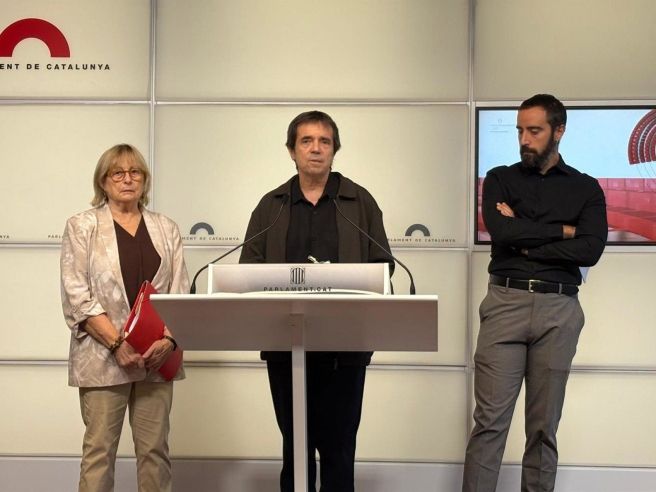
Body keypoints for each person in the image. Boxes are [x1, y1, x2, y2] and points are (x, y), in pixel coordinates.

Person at [239, 111, 393, 491]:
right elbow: (249, 269)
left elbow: (382, 266)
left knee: (339, 450)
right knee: (295, 449)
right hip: (285, 345)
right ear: (291, 150)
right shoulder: (272, 205)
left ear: (334, 150)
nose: (316, 149)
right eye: (306, 141)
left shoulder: (359, 203)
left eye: (324, 141)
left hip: (345, 349)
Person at [462, 94, 607, 492]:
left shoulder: (586, 188)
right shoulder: (499, 178)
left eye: (535, 131)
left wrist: (524, 241)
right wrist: (563, 231)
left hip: (559, 308)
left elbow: (590, 250)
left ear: (559, 131)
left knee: (544, 429)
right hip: (505, 304)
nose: (525, 140)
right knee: (489, 424)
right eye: (520, 131)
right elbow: (502, 231)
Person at [60, 144, 189, 492]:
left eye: (135, 172)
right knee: (99, 453)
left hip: (155, 357)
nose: (127, 179)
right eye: (118, 173)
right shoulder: (81, 226)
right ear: (103, 181)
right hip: (102, 356)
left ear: (144, 180)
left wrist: (169, 341)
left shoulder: (166, 227)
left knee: (155, 452)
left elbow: (180, 291)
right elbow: (76, 296)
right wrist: (117, 344)